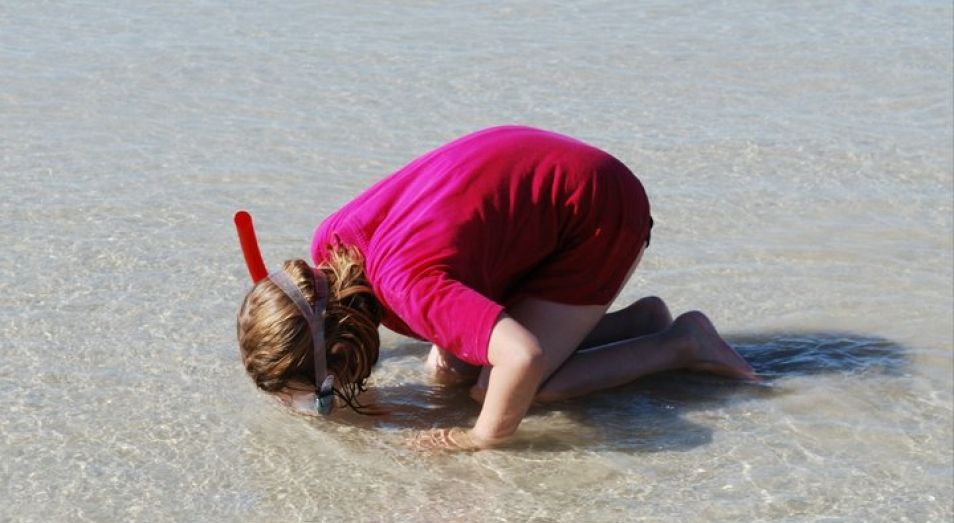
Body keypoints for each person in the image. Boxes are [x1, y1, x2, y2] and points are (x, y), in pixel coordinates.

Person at [236, 126, 756, 450]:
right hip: (541, 177)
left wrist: (481, 437)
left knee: (510, 388)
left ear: (347, 349)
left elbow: (524, 357)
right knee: (452, 366)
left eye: (325, 398)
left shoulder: (407, 290)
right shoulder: (333, 244)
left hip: (596, 214)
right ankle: (639, 324)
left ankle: (682, 342)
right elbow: (441, 247)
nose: (325, 404)